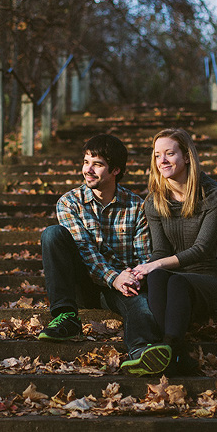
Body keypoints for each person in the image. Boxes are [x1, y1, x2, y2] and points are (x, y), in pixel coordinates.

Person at [38, 134, 170, 375]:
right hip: (81, 282)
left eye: (97, 164)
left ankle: (142, 350)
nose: (88, 170)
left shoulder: (136, 206)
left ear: (116, 170)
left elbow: (142, 255)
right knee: (52, 234)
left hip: (118, 285)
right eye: (86, 161)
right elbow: (84, 250)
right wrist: (114, 276)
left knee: (140, 301)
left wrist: (131, 277)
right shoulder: (69, 202)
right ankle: (66, 317)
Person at [131, 128, 217, 375]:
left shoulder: (212, 193)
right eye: (157, 155)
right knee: (158, 276)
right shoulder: (154, 200)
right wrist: (146, 269)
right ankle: (177, 353)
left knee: (175, 281)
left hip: (204, 280)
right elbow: (160, 250)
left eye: (169, 154)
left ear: (186, 157)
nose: (162, 161)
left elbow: (202, 249)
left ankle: (170, 347)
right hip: (171, 282)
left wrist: (157, 265)